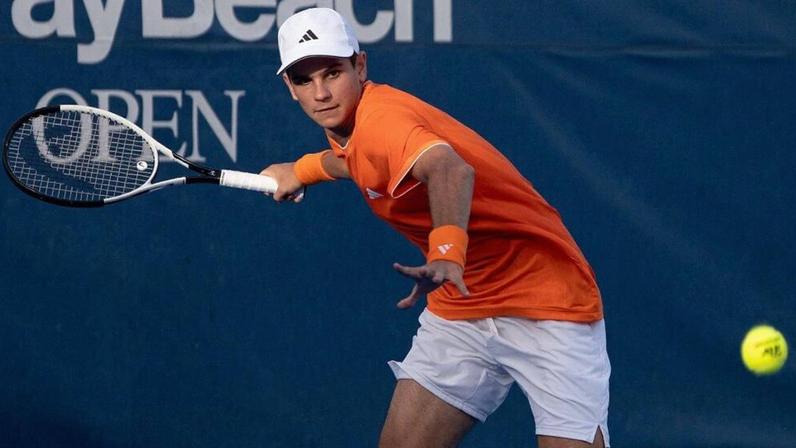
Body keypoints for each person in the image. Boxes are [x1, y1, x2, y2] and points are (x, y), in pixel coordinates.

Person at [260, 8, 610, 448]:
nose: (322, 93)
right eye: (304, 81)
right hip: (464, 304)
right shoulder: (355, 129)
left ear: (360, 67)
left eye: (333, 73)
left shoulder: (384, 119)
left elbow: (450, 170)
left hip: (544, 299)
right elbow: (357, 161)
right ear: (289, 89)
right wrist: (302, 168)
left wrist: (445, 253)